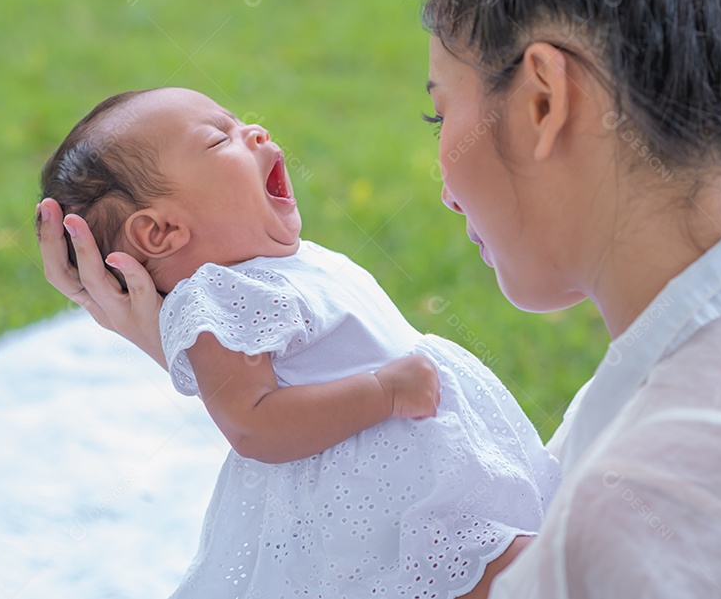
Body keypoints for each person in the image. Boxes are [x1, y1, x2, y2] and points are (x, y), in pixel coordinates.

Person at [40, 0, 721, 596]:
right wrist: (200, 350)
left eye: (439, 108)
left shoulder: (625, 530)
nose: (446, 187)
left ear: (542, 102)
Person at [36, 87, 560, 598]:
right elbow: (251, 421)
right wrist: (385, 392)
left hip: (422, 478)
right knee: (501, 569)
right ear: (161, 232)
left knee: (517, 557)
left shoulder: (282, 265)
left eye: (239, 123)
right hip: (370, 510)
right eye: (220, 141)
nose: (256, 131)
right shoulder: (216, 295)